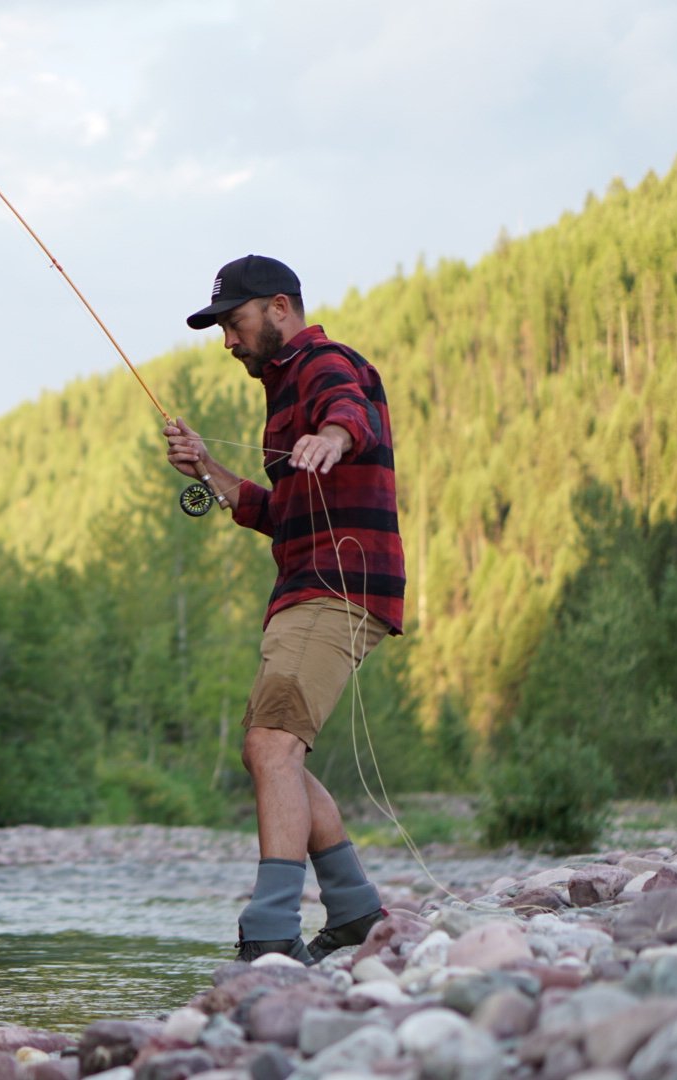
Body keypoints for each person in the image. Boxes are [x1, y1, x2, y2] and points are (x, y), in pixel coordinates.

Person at [165, 254, 405, 964]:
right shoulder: (280, 391)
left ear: (277, 307)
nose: (228, 342)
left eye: (233, 324)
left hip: (336, 588)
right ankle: (358, 911)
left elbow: (349, 412)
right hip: (308, 586)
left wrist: (332, 437)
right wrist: (208, 465)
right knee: (273, 752)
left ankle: (270, 932)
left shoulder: (322, 363)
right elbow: (280, 512)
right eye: (220, 330)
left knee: (272, 746)